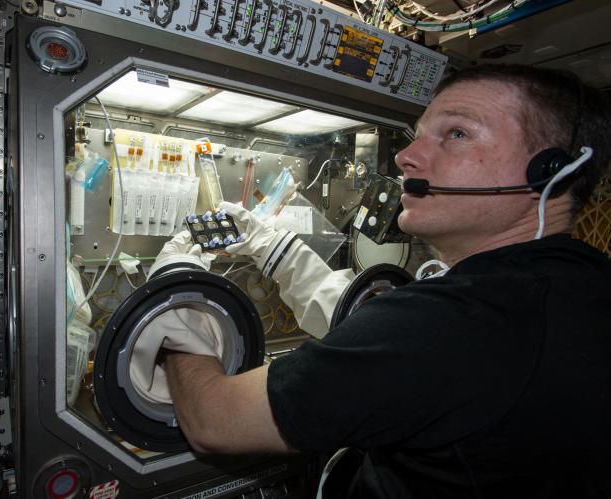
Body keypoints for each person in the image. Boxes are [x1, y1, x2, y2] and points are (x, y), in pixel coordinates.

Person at [154, 64, 611, 498]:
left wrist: (177, 300)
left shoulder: (452, 322)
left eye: (456, 133)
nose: (406, 157)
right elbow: (370, 335)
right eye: (416, 136)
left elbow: (215, 420)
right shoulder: (578, 284)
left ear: (548, 171)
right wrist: (271, 245)